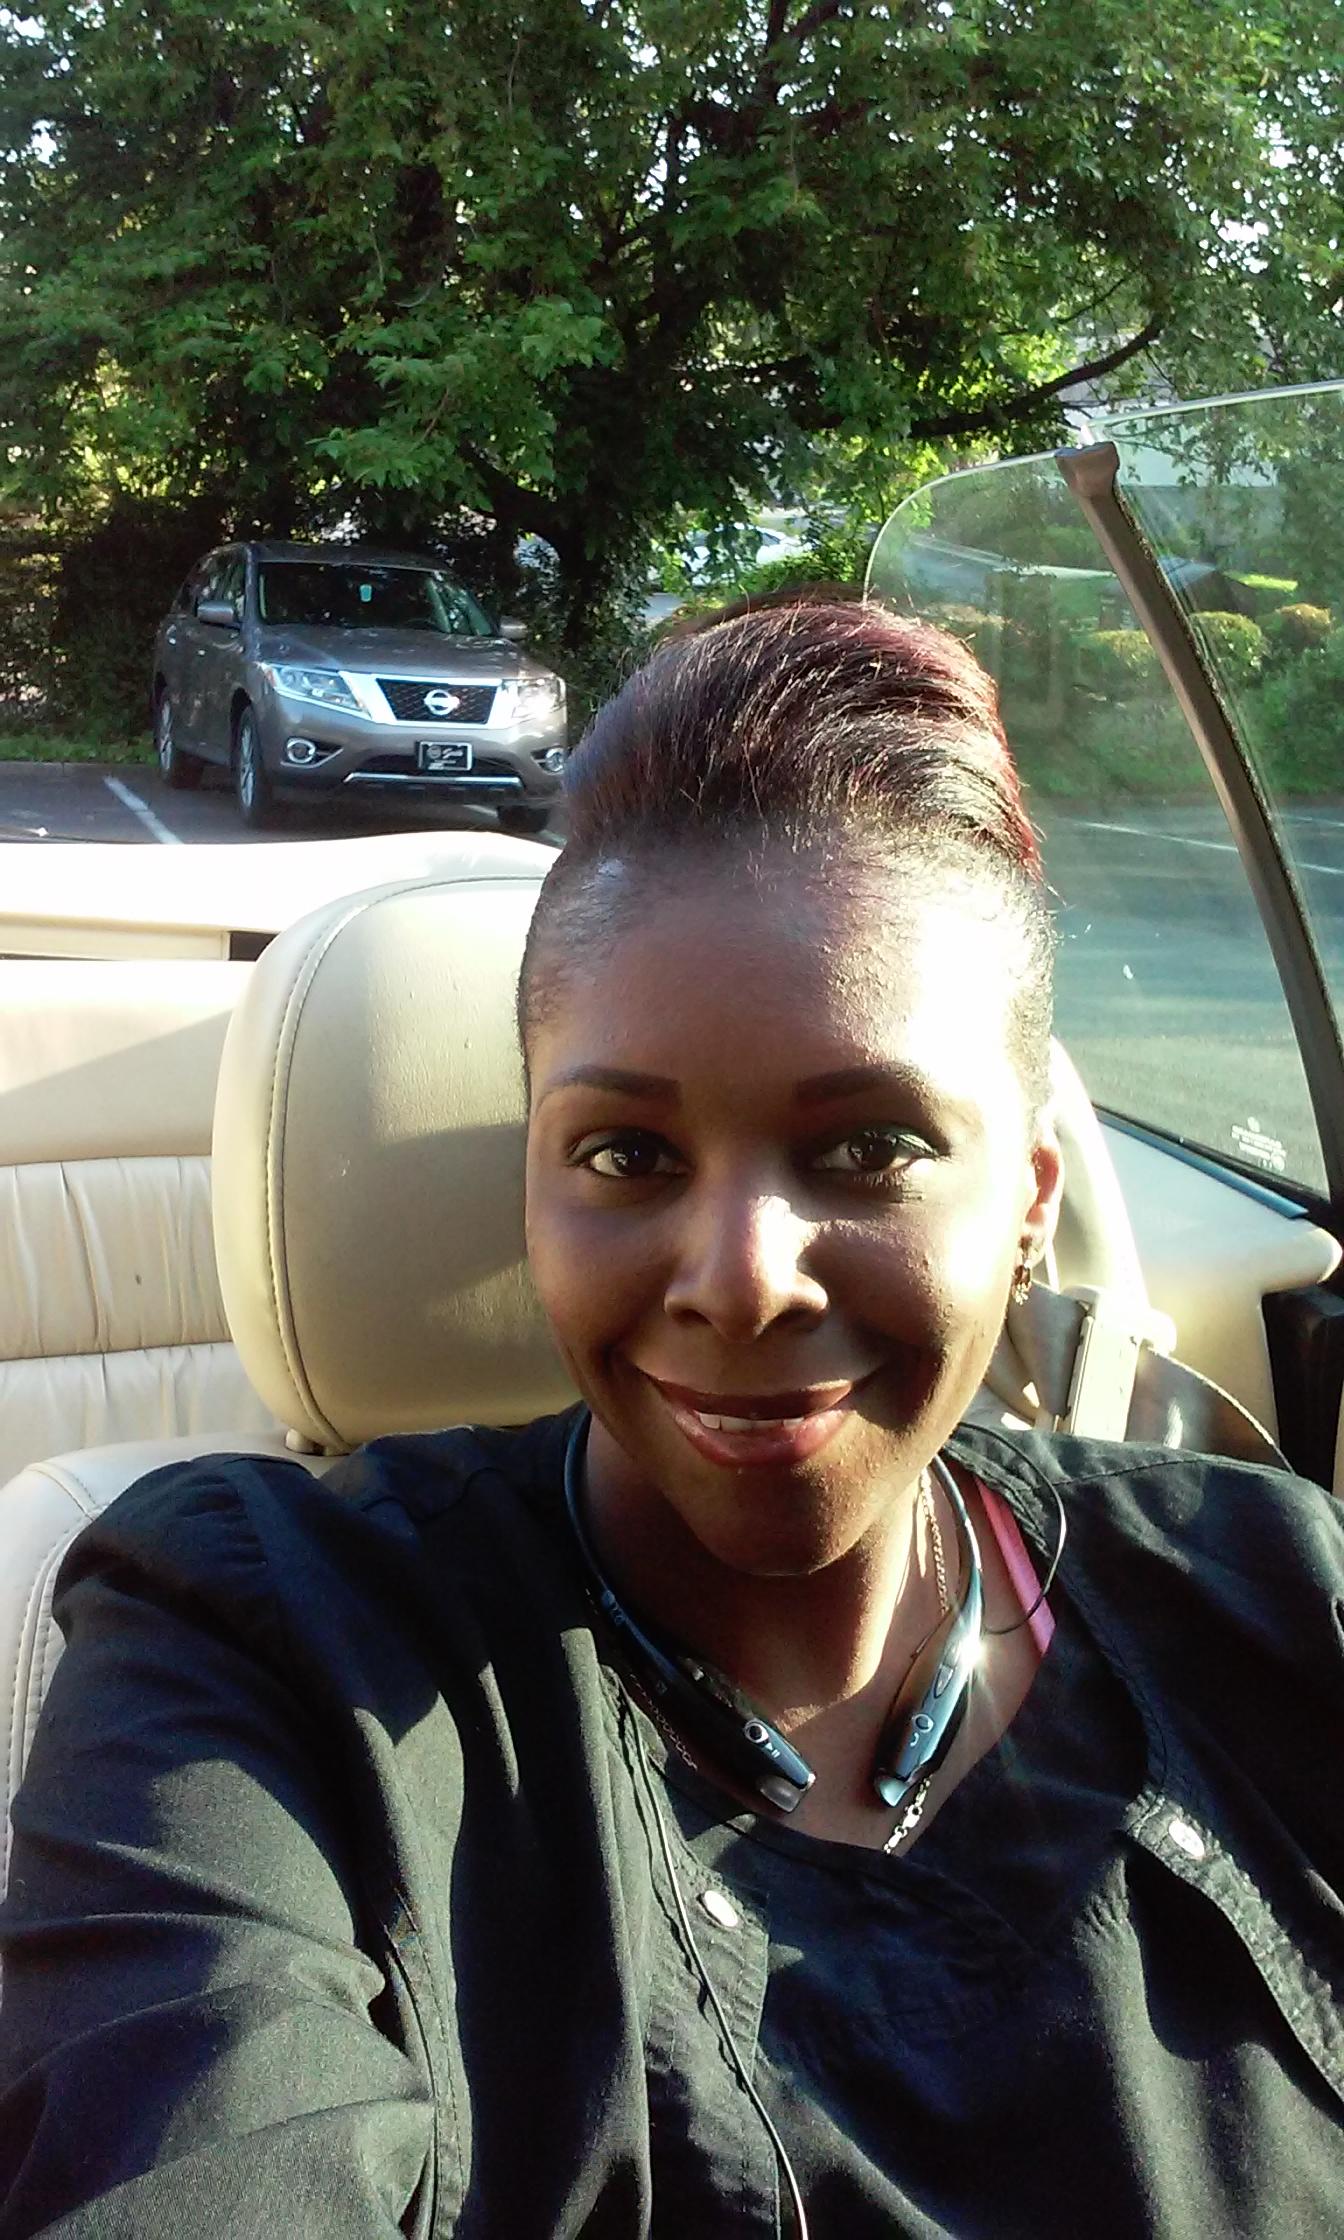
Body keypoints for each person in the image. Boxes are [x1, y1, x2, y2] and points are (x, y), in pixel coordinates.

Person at [1, 596, 1342, 2237]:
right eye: (627, 1155)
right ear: (533, 1187)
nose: (742, 1280)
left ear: (1028, 1203)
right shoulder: (248, 1646)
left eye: (869, 1149)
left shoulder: (1283, 1596)